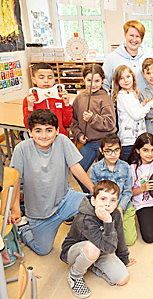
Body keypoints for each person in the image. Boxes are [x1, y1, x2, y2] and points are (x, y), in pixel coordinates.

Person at [9, 109, 94, 256]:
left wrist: (94, 190)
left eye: (49, 130)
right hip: (40, 213)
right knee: (43, 250)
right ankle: (23, 229)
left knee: (96, 206)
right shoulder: (21, 149)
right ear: (30, 132)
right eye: (38, 131)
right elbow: (15, 181)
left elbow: (76, 167)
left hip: (65, 200)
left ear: (56, 131)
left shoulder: (62, 140)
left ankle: (82, 239)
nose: (44, 135)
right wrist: (16, 209)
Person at [60, 180, 136, 298]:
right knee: (93, 248)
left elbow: (120, 236)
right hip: (76, 251)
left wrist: (124, 257)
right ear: (93, 201)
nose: (107, 204)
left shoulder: (115, 213)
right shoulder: (85, 219)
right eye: (103, 199)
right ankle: (75, 276)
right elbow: (109, 248)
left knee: (122, 279)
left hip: (101, 247)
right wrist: (107, 222)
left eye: (113, 200)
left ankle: (92, 265)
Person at [72, 64, 117, 193]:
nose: (93, 84)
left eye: (97, 81)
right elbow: (74, 121)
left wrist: (93, 119)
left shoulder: (105, 98)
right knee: (77, 172)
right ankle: (94, 195)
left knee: (107, 177)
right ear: (83, 79)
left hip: (106, 142)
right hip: (89, 144)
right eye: (89, 80)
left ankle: (108, 200)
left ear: (103, 80)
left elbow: (110, 123)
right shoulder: (79, 98)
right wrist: (79, 134)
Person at [89, 134, 136, 246]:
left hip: (123, 204)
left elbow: (128, 191)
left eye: (116, 150)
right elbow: (94, 192)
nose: (113, 155)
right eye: (108, 151)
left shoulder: (125, 167)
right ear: (101, 151)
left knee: (129, 240)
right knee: (99, 236)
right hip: (104, 206)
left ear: (120, 150)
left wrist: (120, 208)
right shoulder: (95, 169)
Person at [112, 65, 153, 161]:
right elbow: (136, 116)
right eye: (122, 78)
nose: (126, 80)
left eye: (128, 76)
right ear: (117, 82)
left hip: (137, 139)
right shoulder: (122, 95)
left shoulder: (132, 94)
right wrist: (150, 105)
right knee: (130, 170)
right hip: (129, 141)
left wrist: (142, 106)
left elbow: (133, 112)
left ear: (133, 77)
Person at [23, 62, 72, 135]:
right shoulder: (30, 99)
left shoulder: (60, 98)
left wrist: (67, 104)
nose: (46, 81)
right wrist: (30, 107)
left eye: (50, 77)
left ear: (54, 79)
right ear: (33, 80)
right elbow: (28, 126)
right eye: (41, 77)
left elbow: (67, 123)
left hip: (59, 137)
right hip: (40, 140)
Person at [103, 20, 149, 92]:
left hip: (143, 102)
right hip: (120, 102)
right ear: (125, 35)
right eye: (131, 35)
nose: (134, 39)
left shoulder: (146, 58)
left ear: (142, 39)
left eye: (137, 36)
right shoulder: (112, 58)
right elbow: (104, 84)